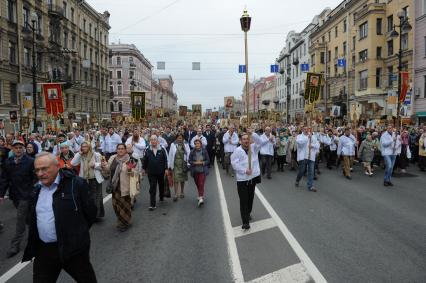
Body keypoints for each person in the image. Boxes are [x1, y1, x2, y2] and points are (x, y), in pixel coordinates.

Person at [22, 152, 97, 282]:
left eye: (44, 169)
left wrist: (78, 235)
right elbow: (31, 217)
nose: (40, 173)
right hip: (44, 251)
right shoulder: (35, 189)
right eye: (37, 170)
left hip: (73, 249)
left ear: (57, 167)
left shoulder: (76, 184)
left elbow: (90, 213)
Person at [0, 140, 36, 258]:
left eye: (21, 147)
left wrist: (34, 191)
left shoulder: (30, 161)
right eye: (16, 148)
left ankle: (15, 245)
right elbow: (4, 179)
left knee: (20, 219)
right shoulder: (8, 162)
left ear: (24, 149)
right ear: (12, 149)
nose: (18, 150)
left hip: (26, 195)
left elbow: (35, 178)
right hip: (15, 195)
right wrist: (1, 194)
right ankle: (38, 233)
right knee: (28, 218)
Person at [231, 129, 263, 230]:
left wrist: (252, 133)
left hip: (252, 178)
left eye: (247, 139)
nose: (246, 141)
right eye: (244, 139)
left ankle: (248, 213)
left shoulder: (253, 148)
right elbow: (234, 164)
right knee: (243, 200)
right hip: (242, 180)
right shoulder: (237, 151)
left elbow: (260, 142)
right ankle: (245, 222)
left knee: (250, 199)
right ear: (240, 141)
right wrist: (244, 170)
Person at [102, 144, 136, 231]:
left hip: (124, 186)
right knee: (115, 205)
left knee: (124, 206)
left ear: (125, 150)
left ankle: (124, 223)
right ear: (116, 150)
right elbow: (108, 169)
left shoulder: (130, 159)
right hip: (114, 185)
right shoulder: (113, 158)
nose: (120, 150)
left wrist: (129, 170)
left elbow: (133, 173)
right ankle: (122, 219)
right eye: (119, 149)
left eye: (122, 149)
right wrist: (103, 166)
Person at [71, 141, 105, 219]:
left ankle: (97, 215)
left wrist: (95, 165)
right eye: (83, 146)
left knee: (96, 198)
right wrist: (79, 154)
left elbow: (102, 165)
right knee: (87, 198)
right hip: (84, 179)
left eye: (86, 146)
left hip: (95, 179)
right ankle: (89, 213)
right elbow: (73, 163)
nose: (84, 148)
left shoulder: (96, 154)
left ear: (89, 147)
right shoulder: (80, 155)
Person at [142, 135, 168, 211]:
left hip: (161, 171)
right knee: (152, 187)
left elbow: (165, 159)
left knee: (161, 185)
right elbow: (145, 160)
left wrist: (166, 168)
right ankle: (152, 204)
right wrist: (143, 168)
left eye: (155, 139)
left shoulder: (162, 149)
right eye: (152, 140)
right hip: (151, 172)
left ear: (157, 141)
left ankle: (161, 196)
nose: (153, 141)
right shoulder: (147, 150)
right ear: (150, 141)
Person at [295, 127, 319, 192]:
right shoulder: (299, 136)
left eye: (307, 129)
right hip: (303, 157)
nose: (306, 130)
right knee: (302, 171)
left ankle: (310, 186)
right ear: (302, 130)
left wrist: (313, 146)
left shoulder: (313, 137)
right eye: (305, 129)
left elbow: (318, 145)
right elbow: (299, 143)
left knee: (311, 172)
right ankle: (297, 180)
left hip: (311, 156)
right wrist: (307, 138)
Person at [168, 133, 190, 201]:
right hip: (176, 164)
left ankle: (182, 192)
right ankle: (176, 194)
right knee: (176, 179)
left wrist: (188, 163)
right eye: (178, 138)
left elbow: (188, 153)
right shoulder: (173, 144)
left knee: (182, 179)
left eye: (181, 138)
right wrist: (169, 165)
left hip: (183, 164)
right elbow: (170, 154)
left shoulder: (186, 144)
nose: (180, 139)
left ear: (183, 138)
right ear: (176, 138)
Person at [188, 139, 210, 207]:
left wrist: (202, 162)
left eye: (198, 143)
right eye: (196, 143)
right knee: (197, 184)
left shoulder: (204, 151)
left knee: (201, 183)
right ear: (194, 145)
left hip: (202, 170)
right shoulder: (192, 152)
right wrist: (194, 163)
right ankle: (200, 194)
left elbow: (208, 160)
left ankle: (201, 197)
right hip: (195, 171)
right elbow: (189, 160)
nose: (197, 145)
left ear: (201, 144)